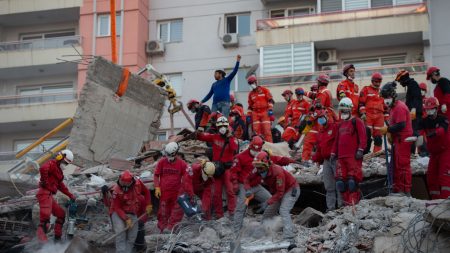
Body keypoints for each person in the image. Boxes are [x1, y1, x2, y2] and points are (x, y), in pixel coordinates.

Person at [232, 136, 296, 234]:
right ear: (250, 146)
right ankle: (236, 230)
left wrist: (291, 160)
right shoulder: (240, 157)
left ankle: (275, 223)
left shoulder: (263, 157)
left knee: (272, 200)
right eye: (253, 149)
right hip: (244, 186)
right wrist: (236, 185)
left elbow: (278, 159)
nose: (255, 152)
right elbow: (234, 172)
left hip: (257, 186)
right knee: (241, 207)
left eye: (257, 150)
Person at [253, 151, 300, 245]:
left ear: (267, 165)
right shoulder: (259, 170)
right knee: (268, 212)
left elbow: (280, 193)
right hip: (279, 192)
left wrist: (267, 201)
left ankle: (289, 237)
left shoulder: (278, 172)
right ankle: (261, 231)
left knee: (284, 210)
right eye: (257, 167)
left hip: (291, 189)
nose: (259, 170)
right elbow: (249, 178)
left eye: (261, 167)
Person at [197, 116, 238, 218]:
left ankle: (232, 212)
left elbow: (234, 148)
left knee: (230, 190)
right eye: (220, 126)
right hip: (217, 169)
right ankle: (219, 214)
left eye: (224, 126)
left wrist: (230, 137)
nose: (222, 128)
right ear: (217, 127)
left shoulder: (232, 139)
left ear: (227, 127)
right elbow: (201, 137)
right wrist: (199, 130)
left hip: (228, 168)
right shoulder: (214, 137)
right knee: (216, 193)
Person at [331, 98, 367, 206]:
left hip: (353, 157)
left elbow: (363, 137)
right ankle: (347, 205)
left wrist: (361, 149)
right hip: (341, 157)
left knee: (352, 182)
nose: (343, 113)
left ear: (350, 110)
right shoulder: (341, 125)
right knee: (341, 183)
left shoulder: (357, 121)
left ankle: (353, 205)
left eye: (345, 111)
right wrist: (333, 153)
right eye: (342, 111)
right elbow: (336, 141)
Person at [380, 82, 413, 196]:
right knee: (395, 166)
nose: (385, 100)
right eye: (384, 98)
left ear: (393, 95)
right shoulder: (392, 108)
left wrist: (388, 130)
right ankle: (398, 189)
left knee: (403, 166)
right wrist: (390, 133)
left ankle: (406, 191)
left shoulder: (399, 107)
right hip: (398, 140)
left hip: (403, 140)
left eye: (387, 97)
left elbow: (401, 125)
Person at [36, 149, 77, 242]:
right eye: (65, 162)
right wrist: (45, 181)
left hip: (49, 195)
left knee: (61, 214)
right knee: (45, 220)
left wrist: (70, 195)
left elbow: (61, 186)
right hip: (44, 194)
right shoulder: (52, 164)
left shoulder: (58, 171)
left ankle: (57, 239)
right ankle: (43, 245)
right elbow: (42, 168)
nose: (65, 165)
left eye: (67, 164)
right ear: (60, 157)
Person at [110, 170, 152, 253]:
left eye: (127, 184)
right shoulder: (116, 191)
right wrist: (126, 218)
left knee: (132, 236)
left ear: (131, 181)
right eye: (123, 183)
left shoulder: (138, 184)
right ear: (120, 180)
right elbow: (117, 207)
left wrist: (148, 204)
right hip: (118, 213)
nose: (125, 186)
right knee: (120, 234)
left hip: (132, 212)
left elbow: (146, 192)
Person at [154, 142, 189, 233]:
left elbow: (187, 176)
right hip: (164, 192)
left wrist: (184, 189)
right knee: (163, 211)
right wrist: (157, 187)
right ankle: (163, 229)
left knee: (176, 211)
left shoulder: (182, 164)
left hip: (175, 192)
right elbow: (156, 175)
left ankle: (172, 228)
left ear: (175, 153)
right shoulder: (162, 162)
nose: (168, 157)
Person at [419, 97, 450, 199]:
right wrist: (417, 139)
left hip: (445, 151)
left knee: (444, 176)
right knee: (431, 176)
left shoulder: (443, 119)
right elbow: (419, 132)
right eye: (427, 109)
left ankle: (445, 200)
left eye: (431, 109)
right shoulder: (424, 121)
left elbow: (442, 130)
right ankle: (435, 201)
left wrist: (435, 133)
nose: (429, 111)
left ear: (436, 108)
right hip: (433, 153)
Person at [312, 109, 342, 211]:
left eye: (321, 117)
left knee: (339, 184)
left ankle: (341, 206)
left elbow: (340, 141)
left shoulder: (335, 127)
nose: (320, 120)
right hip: (326, 161)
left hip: (336, 159)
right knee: (329, 186)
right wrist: (316, 159)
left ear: (326, 116)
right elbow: (320, 149)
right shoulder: (320, 132)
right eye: (318, 119)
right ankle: (331, 208)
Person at [395, 70, 423, 155]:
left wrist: (414, 108)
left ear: (404, 78)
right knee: (413, 133)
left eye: (400, 81)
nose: (400, 83)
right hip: (412, 113)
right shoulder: (410, 85)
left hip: (414, 113)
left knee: (415, 132)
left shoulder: (413, 84)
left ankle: (423, 151)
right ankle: (412, 152)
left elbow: (416, 97)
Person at [359, 72, 387, 153]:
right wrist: (363, 113)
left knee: (378, 138)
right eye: (376, 81)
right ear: (372, 81)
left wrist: (387, 119)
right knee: (366, 137)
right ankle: (365, 153)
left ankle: (377, 154)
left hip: (379, 117)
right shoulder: (366, 89)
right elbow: (361, 103)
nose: (378, 83)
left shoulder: (382, 91)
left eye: (379, 82)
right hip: (368, 116)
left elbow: (385, 106)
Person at [246, 75, 275, 142]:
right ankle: (258, 146)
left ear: (256, 82)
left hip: (265, 112)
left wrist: (270, 109)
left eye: (252, 83)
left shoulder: (264, 90)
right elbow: (250, 106)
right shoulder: (251, 94)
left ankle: (269, 147)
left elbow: (271, 101)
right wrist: (248, 115)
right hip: (255, 113)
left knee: (266, 130)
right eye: (250, 84)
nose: (251, 85)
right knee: (256, 132)